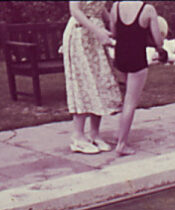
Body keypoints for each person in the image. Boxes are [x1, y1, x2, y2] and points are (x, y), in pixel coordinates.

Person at [62, 0, 122, 154]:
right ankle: (78, 136)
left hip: (96, 35)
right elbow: (75, 11)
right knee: (83, 82)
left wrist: (113, 24)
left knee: (100, 80)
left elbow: (99, 8)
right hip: (79, 33)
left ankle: (94, 133)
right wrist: (98, 31)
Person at [109, 1, 168, 156]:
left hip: (120, 58)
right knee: (130, 102)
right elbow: (158, 41)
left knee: (125, 98)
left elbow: (113, 33)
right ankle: (122, 144)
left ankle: (118, 134)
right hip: (137, 60)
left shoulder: (116, 6)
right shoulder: (148, 10)